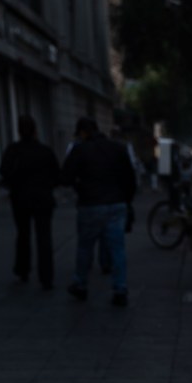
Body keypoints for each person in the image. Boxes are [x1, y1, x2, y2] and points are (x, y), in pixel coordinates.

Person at [59, 117, 137, 306]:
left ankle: (81, 284)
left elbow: (66, 177)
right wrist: (126, 200)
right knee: (117, 249)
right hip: (116, 203)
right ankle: (120, 288)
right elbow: (130, 178)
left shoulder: (80, 150)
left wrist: (80, 185)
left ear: (83, 132)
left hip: (90, 204)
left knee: (85, 247)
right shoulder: (118, 148)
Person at [0, 115, 59, 290]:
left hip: (20, 199)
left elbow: (4, 172)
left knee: (23, 234)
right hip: (42, 198)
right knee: (44, 237)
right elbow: (56, 175)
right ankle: (46, 277)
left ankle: (23, 269)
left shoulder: (13, 151)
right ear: (35, 130)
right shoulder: (45, 151)